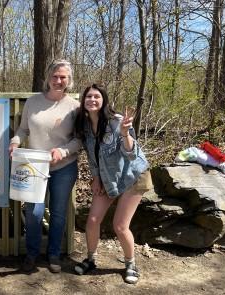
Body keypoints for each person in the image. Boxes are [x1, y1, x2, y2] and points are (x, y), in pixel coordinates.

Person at [73, 84, 153, 284]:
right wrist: (96, 178)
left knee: (120, 225)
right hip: (108, 178)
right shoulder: (85, 127)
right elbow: (92, 158)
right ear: (84, 101)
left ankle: (130, 263)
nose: (92, 99)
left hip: (132, 176)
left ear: (103, 100)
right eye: (88, 96)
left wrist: (125, 133)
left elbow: (131, 153)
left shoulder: (117, 122)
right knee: (92, 221)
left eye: (97, 96)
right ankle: (91, 259)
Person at [9, 59, 81, 273]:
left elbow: (79, 139)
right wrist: (15, 142)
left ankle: (53, 255)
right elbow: (23, 130)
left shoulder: (75, 107)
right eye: (55, 76)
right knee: (33, 212)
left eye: (63, 77)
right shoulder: (33, 102)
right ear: (48, 78)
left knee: (58, 213)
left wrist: (63, 151)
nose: (58, 80)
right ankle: (32, 253)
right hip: (35, 167)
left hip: (64, 167)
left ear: (69, 80)